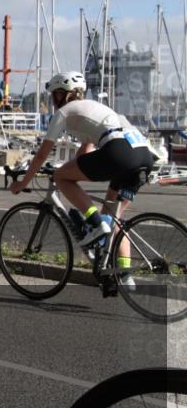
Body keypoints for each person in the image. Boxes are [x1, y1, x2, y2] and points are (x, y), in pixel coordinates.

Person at [10, 71, 157, 294]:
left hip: (119, 151)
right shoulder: (95, 108)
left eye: (53, 95)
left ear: (61, 95)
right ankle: (124, 276)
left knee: (61, 178)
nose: (52, 100)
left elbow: (41, 156)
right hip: (143, 155)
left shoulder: (64, 112)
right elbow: (85, 152)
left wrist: (22, 183)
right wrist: (73, 169)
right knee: (114, 218)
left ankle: (95, 223)